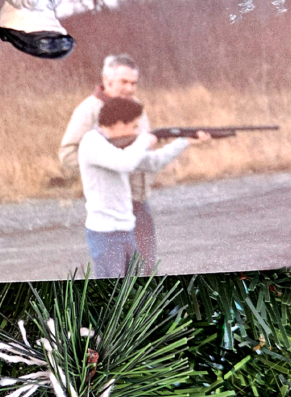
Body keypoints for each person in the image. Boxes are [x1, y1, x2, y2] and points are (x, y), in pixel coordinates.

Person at [77, 98, 208, 278]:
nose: (137, 131)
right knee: (113, 293)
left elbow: (154, 162)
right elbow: (124, 163)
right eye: (134, 126)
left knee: (133, 288)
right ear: (119, 124)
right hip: (106, 234)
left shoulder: (120, 147)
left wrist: (184, 141)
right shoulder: (91, 142)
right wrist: (144, 141)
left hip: (126, 229)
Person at [59, 54, 164, 270]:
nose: (129, 88)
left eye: (133, 83)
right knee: (116, 276)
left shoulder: (136, 106)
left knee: (147, 269)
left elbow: (139, 147)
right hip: (111, 209)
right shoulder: (88, 110)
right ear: (107, 81)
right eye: (123, 82)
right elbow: (68, 154)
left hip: (139, 202)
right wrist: (112, 161)